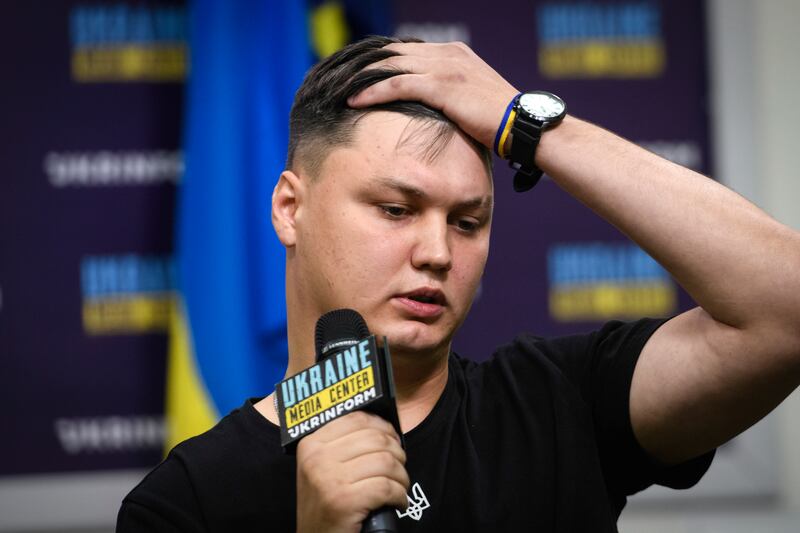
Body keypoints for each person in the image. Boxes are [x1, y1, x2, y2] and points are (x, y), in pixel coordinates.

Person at [117, 36, 800, 532]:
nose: (439, 252)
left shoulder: (559, 401)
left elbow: (787, 308)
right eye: (396, 209)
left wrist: (526, 121)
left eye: (468, 221)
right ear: (289, 208)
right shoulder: (186, 503)